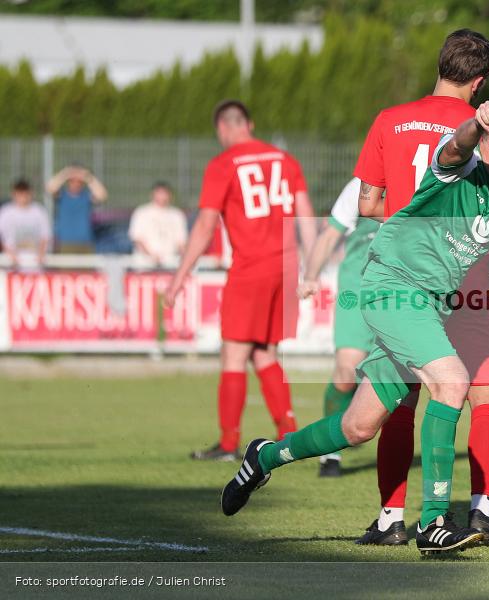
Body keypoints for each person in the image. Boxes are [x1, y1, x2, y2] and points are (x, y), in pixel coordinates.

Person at [222, 90, 489, 556]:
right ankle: (434, 523)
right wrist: (476, 124)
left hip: (429, 303)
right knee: (452, 381)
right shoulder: (458, 165)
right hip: (392, 287)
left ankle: (265, 455)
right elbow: (456, 145)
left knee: (358, 426)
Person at [344, 28, 489, 547]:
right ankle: (480, 507)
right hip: (463, 279)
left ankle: (391, 517)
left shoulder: (388, 119)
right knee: (485, 396)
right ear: (482, 82)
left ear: (440, 65)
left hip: (404, 281)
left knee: (402, 400)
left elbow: (367, 205)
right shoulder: (487, 129)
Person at [164, 100, 317, 461]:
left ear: (222, 128)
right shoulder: (285, 160)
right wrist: (312, 268)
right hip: (286, 265)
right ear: (249, 123)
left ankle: (229, 444)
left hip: (250, 267)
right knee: (263, 351)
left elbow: (204, 226)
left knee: (233, 352)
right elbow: (306, 213)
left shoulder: (222, 164)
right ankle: (289, 435)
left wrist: (179, 278)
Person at [299, 177, 379, 477]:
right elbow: (330, 234)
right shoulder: (361, 185)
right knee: (347, 372)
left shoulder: (427, 176)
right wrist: (311, 275)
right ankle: (329, 453)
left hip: (404, 292)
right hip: (357, 290)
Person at [46, 164, 108, 254]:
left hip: (86, 243)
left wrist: (88, 177)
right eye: (72, 181)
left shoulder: (86, 196)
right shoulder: (62, 195)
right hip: (65, 243)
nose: (76, 184)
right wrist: (65, 174)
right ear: (68, 182)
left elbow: (102, 195)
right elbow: (50, 188)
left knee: (86, 267)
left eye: (79, 181)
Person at [128, 181, 188, 269]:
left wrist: (186, 260)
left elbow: (181, 242)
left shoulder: (177, 215)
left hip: (170, 264)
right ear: (152, 194)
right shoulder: (141, 212)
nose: (162, 196)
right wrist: (151, 256)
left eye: (164, 193)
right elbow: (137, 239)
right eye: (159, 193)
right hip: (144, 264)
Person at [0, 179, 51, 271]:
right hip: (11, 263)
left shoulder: (39, 211)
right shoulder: (5, 212)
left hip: (34, 262)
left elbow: (45, 236)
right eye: (20, 193)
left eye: (25, 193)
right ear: (14, 194)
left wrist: (41, 254)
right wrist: (10, 254)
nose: (22, 196)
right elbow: (2, 237)